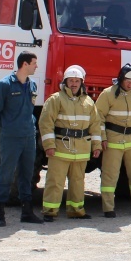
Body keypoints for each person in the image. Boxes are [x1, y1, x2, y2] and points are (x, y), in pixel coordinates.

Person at [0, 51, 45, 226]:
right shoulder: (4, 85)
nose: (36, 66)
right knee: (5, 173)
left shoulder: (32, 85)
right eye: (34, 63)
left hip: (28, 136)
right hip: (11, 137)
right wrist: (9, 126)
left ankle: (26, 212)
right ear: (25, 64)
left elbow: (30, 109)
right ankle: (0, 212)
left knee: (27, 174)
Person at [39, 65, 102, 219]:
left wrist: (97, 145)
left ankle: (76, 211)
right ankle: (49, 212)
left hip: (81, 149)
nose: (74, 83)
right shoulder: (55, 99)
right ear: (65, 82)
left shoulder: (88, 102)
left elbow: (95, 125)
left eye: (77, 81)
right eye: (71, 81)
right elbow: (45, 123)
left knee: (78, 182)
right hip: (61, 147)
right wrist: (49, 146)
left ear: (82, 82)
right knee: (55, 181)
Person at [95, 63, 131, 218]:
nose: (130, 84)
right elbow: (97, 118)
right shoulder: (108, 94)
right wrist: (102, 138)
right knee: (110, 175)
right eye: (128, 80)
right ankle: (108, 208)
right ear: (121, 78)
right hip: (113, 140)